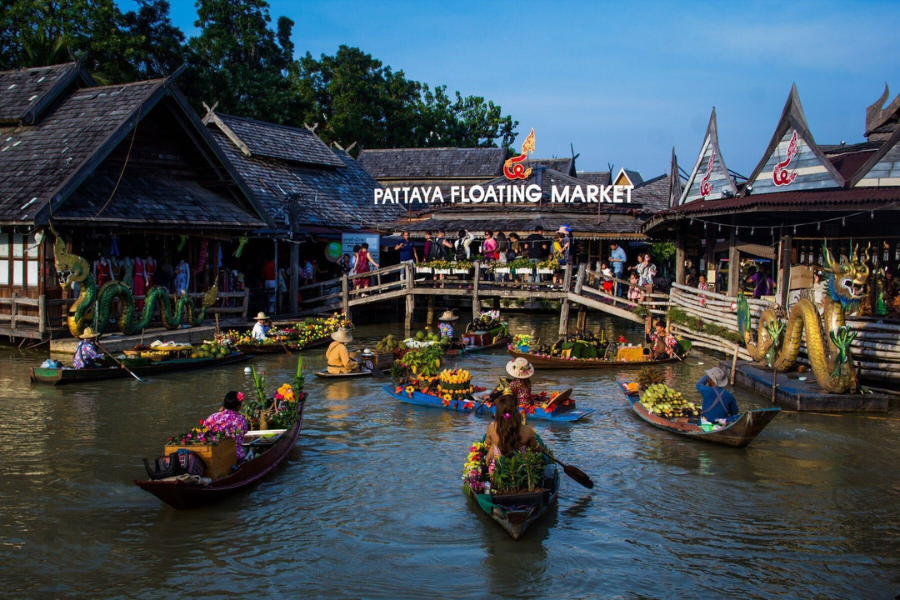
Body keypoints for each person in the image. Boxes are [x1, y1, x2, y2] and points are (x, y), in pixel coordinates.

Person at [482, 394, 546, 464]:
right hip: (521, 468)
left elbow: (486, 447)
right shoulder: (527, 430)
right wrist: (542, 449)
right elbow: (535, 448)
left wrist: (494, 445)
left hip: (498, 469)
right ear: (515, 411)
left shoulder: (491, 428)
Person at [203, 391, 250, 461]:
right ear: (238, 407)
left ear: (224, 405)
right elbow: (244, 433)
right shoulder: (241, 420)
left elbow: (204, 430)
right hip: (235, 455)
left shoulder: (213, 417)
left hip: (216, 455)